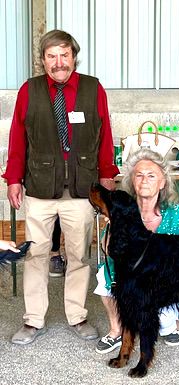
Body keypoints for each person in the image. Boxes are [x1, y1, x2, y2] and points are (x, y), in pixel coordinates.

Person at [2, 29, 119, 345]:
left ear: (73, 57)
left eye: (63, 55)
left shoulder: (94, 89)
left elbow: (105, 135)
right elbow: (18, 139)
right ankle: (33, 319)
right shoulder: (30, 90)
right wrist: (13, 178)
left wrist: (108, 174)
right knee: (37, 254)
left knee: (79, 255)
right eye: (51, 56)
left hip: (82, 188)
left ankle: (77, 316)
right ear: (43, 60)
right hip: (40, 188)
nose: (58, 62)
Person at [94, 148, 179, 354]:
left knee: (163, 326)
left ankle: (175, 322)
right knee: (104, 275)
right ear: (132, 182)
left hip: (161, 282)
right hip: (129, 278)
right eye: (139, 175)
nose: (144, 180)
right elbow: (108, 251)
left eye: (151, 175)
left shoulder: (175, 213)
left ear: (162, 182)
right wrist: (112, 226)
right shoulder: (123, 207)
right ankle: (116, 329)